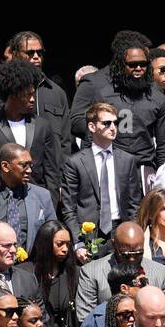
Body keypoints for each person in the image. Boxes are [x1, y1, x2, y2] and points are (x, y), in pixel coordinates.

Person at [68, 32, 165, 171]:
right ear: (121, 64)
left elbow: (164, 147)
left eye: (143, 64)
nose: (139, 68)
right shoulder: (102, 92)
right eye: (133, 64)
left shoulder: (158, 98)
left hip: (145, 169)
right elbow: (87, 135)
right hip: (112, 166)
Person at [60, 101, 142, 260]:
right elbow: (68, 206)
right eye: (106, 123)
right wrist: (78, 242)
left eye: (115, 123)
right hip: (88, 233)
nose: (113, 127)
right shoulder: (75, 162)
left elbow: (135, 204)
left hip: (119, 229)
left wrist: (131, 232)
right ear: (92, 127)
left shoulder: (127, 160)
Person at [0, 59, 61, 198]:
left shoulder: (43, 126)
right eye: (28, 95)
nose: (33, 99)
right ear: (12, 94)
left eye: (33, 94)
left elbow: (51, 173)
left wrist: (49, 208)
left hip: (36, 203)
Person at [74, 219, 165, 326]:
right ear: (114, 245)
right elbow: (86, 320)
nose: (132, 259)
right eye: (125, 254)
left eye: (138, 253)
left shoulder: (160, 273)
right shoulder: (91, 272)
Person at [28, 220, 78, 327]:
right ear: (46, 244)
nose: (65, 249)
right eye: (60, 244)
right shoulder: (27, 273)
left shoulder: (73, 273)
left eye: (68, 244)